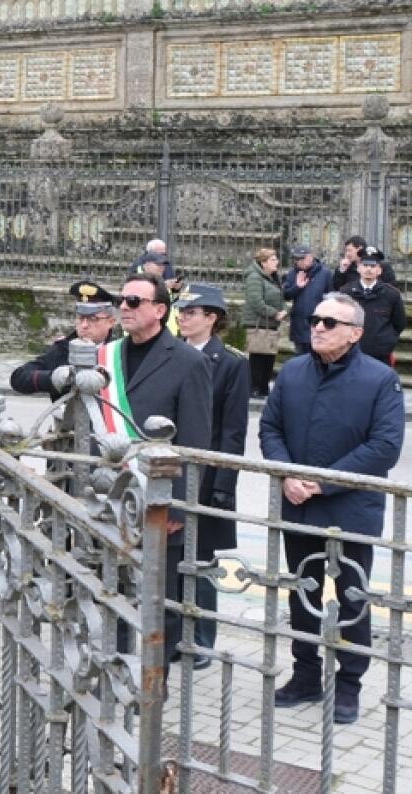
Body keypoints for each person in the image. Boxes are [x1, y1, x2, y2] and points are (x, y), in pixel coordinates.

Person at [259, 292, 404, 725]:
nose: (316, 326)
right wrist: (288, 474)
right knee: (303, 594)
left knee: (351, 598)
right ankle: (305, 674)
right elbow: (270, 428)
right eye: (315, 319)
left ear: (355, 333)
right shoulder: (294, 371)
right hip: (298, 505)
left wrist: (320, 484)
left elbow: (384, 447)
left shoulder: (379, 379)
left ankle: (349, 683)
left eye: (329, 322)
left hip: (349, 511)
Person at [101, 273, 212, 669]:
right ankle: (112, 669)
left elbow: (195, 442)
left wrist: (177, 509)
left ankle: (153, 681)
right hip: (111, 497)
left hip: (159, 502)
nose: (124, 307)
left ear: (161, 310)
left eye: (135, 301)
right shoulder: (108, 354)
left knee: (158, 599)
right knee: (111, 589)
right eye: (121, 300)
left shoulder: (189, 362)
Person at [174, 285, 249, 665]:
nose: (183, 317)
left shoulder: (232, 363)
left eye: (192, 311)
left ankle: (201, 640)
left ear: (212, 318)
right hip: (172, 472)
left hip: (206, 478)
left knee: (201, 561)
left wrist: (222, 485)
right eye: (181, 311)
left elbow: (233, 433)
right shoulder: (172, 354)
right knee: (173, 559)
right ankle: (173, 634)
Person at [11, 279, 118, 401]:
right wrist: (53, 378)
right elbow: (19, 378)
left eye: (93, 319)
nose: (84, 325)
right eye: (80, 318)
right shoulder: (63, 348)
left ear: (111, 322)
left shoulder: (118, 350)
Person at [343, 248, 406, 366]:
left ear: (379, 270)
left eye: (373, 266)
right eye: (365, 265)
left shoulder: (391, 294)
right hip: (351, 353)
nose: (368, 269)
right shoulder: (346, 292)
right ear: (359, 268)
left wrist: (386, 341)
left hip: (380, 356)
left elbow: (399, 323)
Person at [242, 247, 287, 397]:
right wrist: (275, 314)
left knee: (269, 357)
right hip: (259, 324)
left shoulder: (274, 277)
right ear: (263, 262)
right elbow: (256, 301)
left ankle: (264, 388)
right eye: (273, 260)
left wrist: (284, 310)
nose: (277, 262)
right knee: (258, 358)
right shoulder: (254, 277)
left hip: (272, 324)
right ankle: (254, 388)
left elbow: (281, 297)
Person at [282, 243, 332, 356]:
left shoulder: (325, 273)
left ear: (311, 257)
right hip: (299, 325)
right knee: (300, 359)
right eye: (296, 259)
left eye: (301, 258)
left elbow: (331, 297)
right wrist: (297, 287)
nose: (299, 262)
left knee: (319, 359)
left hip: (319, 324)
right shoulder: (292, 273)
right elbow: (286, 295)